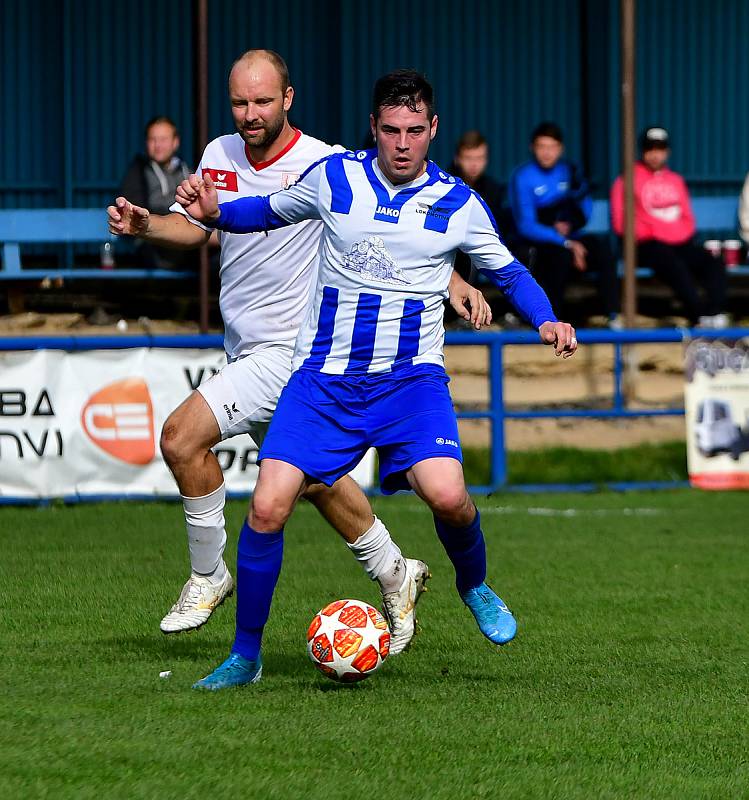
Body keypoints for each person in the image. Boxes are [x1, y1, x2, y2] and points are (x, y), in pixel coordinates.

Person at [176, 69, 577, 691]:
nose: (402, 143)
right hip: (325, 381)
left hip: (410, 383)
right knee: (266, 506)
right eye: (391, 129)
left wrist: (547, 319)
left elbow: (510, 272)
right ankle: (245, 657)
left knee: (447, 496)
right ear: (373, 128)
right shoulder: (336, 178)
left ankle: (473, 584)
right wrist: (216, 211)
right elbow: (267, 210)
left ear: (432, 129)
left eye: (415, 130)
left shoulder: (458, 204)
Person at [108, 51, 488, 655]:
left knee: (182, 437)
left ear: (288, 99)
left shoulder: (326, 164)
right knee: (313, 483)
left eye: (262, 101)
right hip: (245, 345)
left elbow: (386, 238)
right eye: (240, 102)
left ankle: (209, 575)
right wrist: (146, 225)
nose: (250, 114)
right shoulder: (218, 155)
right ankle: (396, 572)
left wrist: (455, 282)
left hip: (300, 351)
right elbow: (200, 227)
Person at [611, 126, 728, 327]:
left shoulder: (675, 180)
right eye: (650, 149)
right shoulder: (626, 180)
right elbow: (621, 223)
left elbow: (688, 219)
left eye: (660, 149)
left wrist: (675, 235)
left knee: (712, 261)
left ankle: (714, 312)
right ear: (643, 151)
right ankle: (698, 314)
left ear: (667, 151)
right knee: (672, 263)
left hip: (679, 242)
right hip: (647, 244)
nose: (655, 155)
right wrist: (654, 232)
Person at [509, 122, 619, 324]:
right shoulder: (523, 176)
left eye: (552, 147)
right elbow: (526, 225)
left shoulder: (570, 171)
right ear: (533, 148)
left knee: (602, 249)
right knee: (558, 257)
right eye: (542, 147)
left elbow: (585, 208)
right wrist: (564, 241)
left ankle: (612, 316)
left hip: (571, 238)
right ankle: (550, 321)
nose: (547, 153)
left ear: (560, 149)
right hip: (542, 243)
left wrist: (572, 222)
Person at [118, 116, 194, 270]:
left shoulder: (186, 170)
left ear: (175, 142)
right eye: (153, 139)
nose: (158, 145)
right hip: (154, 243)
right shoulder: (138, 171)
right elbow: (134, 212)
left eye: (163, 139)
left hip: (186, 240)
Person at [449, 130, 504, 285]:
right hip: (452, 251)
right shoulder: (443, 187)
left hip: (484, 249)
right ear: (457, 159)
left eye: (480, 158)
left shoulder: (494, 189)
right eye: (468, 158)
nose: (474, 164)